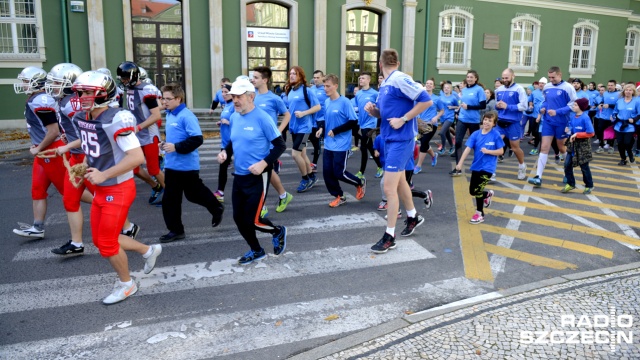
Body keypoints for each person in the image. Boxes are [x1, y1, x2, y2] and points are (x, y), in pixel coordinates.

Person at [71, 70, 161, 304]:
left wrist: (104, 174)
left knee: (107, 243)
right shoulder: (86, 117)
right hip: (102, 188)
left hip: (117, 188)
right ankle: (148, 251)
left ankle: (127, 284)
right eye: (80, 92)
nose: (81, 97)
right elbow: (93, 148)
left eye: (87, 93)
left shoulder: (117, 118)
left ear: (103, 94)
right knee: (101, 241)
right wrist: (81, 167)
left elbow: (136, 157)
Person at [364, 49, 431, 253]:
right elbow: (386, 113)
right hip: (389, 139)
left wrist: (404, 118)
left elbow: (427, 100)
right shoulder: (386, 83)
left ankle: (389, 236)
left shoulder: (400, 79)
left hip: (401, 140)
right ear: (397, 62)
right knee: (400, 182)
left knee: (389, 189)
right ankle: (413, 216)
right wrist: (374, 111)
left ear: (379, 63)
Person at [217, 79, 287, 265]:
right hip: (239, 176)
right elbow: (234, 141)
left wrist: (263, 164)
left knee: (254, 220)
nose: (235, 100)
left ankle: (277, 231)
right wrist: (225, 152)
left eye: (239, 97)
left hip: (258, 176)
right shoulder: (234, 116)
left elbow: (280, 145)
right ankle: (257, 250)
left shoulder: (263, 118)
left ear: (251, 96)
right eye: (233, 97)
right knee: (239, 219)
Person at [158, 83, 224, 242]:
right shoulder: (170, 114)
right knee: (170, 200)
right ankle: (176, 230)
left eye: (168, 99)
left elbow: (197, 139)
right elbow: (176, 138)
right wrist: (165, 144)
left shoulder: (187, 116)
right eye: (163, 98)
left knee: (194, 194)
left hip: (186, 166)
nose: (164, 102)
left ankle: (216, 208)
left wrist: (176, 147)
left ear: (178, 99)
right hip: (172, 165)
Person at [12, 66, 66, 239]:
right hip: (43, 150)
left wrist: (38, 147)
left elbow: (53, 131)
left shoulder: (40, 100)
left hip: (50, 150)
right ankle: (37, 227)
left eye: (26, 81)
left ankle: (106, 208)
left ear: (37, 82)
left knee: (71, 192)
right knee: (37, 189)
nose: (23, 84)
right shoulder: (35, 98)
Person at [116, 61, 165, 205]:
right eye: (122, 79)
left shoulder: (146, 89)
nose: (123, 81)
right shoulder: (130, 89)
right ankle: (155, 186)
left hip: (148, 134)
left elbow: (156, 115)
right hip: (137, 134)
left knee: (154, 169)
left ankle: (171, 194)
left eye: (125, 78)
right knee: (134, 167)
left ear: (133, 76)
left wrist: (138, 127)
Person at [315, 74, 366, 207]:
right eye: (324, 86)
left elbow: (353, 122)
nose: (325, 89)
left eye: (328, 86)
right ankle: (339, 196)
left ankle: (359, 182)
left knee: (339, 172)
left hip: (341, 144)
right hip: (328, 143)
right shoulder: (327, 102)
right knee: (327, 173)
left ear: (336, 86)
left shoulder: (345, 102)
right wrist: (322, 128)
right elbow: (327, 120)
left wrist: (336, 130)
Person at [252, 66, 294, 214]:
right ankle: (283, 195)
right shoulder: (252, 96)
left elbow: (287, 115)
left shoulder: (274, 98)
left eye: (256, 77)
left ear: (265, 80)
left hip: (270, 142)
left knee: (263, 171)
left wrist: (278, 131)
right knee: (266, 171)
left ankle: (261, 206)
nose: (253, 79)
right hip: (255, 141)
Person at [527, 66, 576, 187]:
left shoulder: (568, 88)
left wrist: (557, 112)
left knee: (561, 147)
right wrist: (542, 108)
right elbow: (545, 101)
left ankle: (568, 173)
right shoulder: (547, 87)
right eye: (549, 77)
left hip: (562, 122)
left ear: (560, 75)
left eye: (553, 77)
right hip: (548, 121)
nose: (551, 79)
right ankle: (538, 176)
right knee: (544, 147)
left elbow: (573, 105)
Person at [455, 111, 504, 224]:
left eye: (490, 121)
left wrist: (489, 151)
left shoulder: (495, 135)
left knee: (478, 191)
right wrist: (460, 163)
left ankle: (479, 214)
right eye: (485, 119)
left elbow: (501, 151)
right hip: (476, 167)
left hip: (488, 168)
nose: (487, 122)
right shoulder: (476, 134)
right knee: (472, 191)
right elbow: (467, 149)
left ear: (494, 124)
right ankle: (487, 194)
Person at [284, 66, 321, 193]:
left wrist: (304, 113)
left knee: (295, 154)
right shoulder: (290, 91)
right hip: (294, 127)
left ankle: (305, 179)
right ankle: (311, 176)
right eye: (290, 74)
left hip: (305, 127)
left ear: (300, 76)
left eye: (295, 74)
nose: (292, 76)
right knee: (302, 154)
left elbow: (317, 107)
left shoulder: (307, 90)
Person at [450, 70, 487, 175]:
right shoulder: (464, 90)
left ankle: (478, 166)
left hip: (473, 120)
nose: (469, 79)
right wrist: (459, 110)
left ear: (476, 79)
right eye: (468, 77)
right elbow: (462, 103)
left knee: (476, 144)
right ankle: (458, 168)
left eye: (471, 77)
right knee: (457, 142)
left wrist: (469, 107)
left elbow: (483, 105)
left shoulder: (479, 90)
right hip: (462, 119)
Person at [494, 68, 528, 180]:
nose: (504, 80)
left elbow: (524, 106)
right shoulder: (498, 90)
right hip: (500, 122)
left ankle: (522, 166)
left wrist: (508, 106)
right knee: (494, 145)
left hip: (514, 123)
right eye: (503, 78)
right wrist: (497, 105)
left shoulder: (519, 89)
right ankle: (491, 171)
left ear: (513, 76)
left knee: (515, 147)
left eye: (507, 78)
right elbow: (496, 104)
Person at [561, 98, 595, 194]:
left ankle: (589, 185)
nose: (573, 106)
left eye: (575, 105)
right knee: (567, 164)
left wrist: (577, 135)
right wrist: (569, 129)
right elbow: (571, 126)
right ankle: (571, 183)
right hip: (573, 145)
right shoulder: (573, 116)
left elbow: (591, 133)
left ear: (581, 107)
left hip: (583, 145)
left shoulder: (585, 117)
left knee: (584, 166)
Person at [354, 72, 383, 179]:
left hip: (370, 124)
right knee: (370, 147)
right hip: (362, 124)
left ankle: (361, 172)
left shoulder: (375, 93)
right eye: (360, 78)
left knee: (363, 147)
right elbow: (358, 108)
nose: (360, 80)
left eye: (363, 78)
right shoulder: (358, 94)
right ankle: (380, 166)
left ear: (368, 80)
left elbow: (380, 107)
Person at [414, 78, 444, 173]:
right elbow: (415, 108)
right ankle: (433, 155)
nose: (428, 85)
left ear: (434, 86)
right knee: (423, 142)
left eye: (431, 84)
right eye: (427, 83)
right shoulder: (419, 97)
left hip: (431, 124)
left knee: (424, 143)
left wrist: (436, 117)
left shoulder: (436, 98)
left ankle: (418, 166)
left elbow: (442, 110)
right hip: (420, 124)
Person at [213, 84, 233, 203]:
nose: (223, 94)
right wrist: (221, 122)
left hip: (233, 141)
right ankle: (220, 192)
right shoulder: (226, 105)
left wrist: (228, 122)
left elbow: (239, 123)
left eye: (226, 92)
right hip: (224, 141)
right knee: (223, 166)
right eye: (222, 92)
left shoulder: (234, 106)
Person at [612, 84, 640, 165]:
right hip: (619, 125)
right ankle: (623, 159)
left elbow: (639, 113)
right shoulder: (619, 101)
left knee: (627, 142)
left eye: (630, 90)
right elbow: (615, 112)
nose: (628, 91)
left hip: (629, 125)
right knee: (620, 143)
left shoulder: (637, 101)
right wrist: (613, 117)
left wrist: (634, 119)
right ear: (624, 91)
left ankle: (630, 154)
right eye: (626, 90)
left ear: (633, 92)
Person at [594, 80, 619, 154]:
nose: (610, 87)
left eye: (611, 85)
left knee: (611, 132)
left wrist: (609, 105)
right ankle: (600, 146)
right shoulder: (605, 93)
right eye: (609, 85)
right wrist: (600, 104)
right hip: (603, 116)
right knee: (600, 131)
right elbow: (602, 101)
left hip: (612, 117)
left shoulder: (618, 94)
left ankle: (611, 147)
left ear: (615, 86)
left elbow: (619, 106)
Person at [310, 70, 328, 169]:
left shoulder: (326, 89)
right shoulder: (311, 89)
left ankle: (315, 163)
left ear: (323, 77)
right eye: (315, 78)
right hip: (313, 120)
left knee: (323, 140)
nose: (316, 79)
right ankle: (314, 163)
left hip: (323, 119)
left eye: (318, 77)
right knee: (314, 141)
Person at [437, 81, 458, 155]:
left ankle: (443, 148)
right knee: (447, 133)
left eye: (448, 88)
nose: (446, 89)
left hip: (450, 117)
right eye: (445, 88)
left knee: (442, 132)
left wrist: (452, 107)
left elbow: (458, 106)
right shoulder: (440, 97)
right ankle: (452, 146)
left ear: (450, 89)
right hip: (443, 117)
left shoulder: (453, 98)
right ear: (443, 89)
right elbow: (437, 106)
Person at [528, 78, 546, 155]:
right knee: (535, 133)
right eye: (540, 83)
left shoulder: (547, 92)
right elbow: (530, 100)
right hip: (535, 116)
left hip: (545, 117)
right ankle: (535, 148)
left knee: (542, 134)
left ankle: (541, 149)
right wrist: (531, 105)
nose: (541, 84)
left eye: (543, 83)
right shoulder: (534, 92)